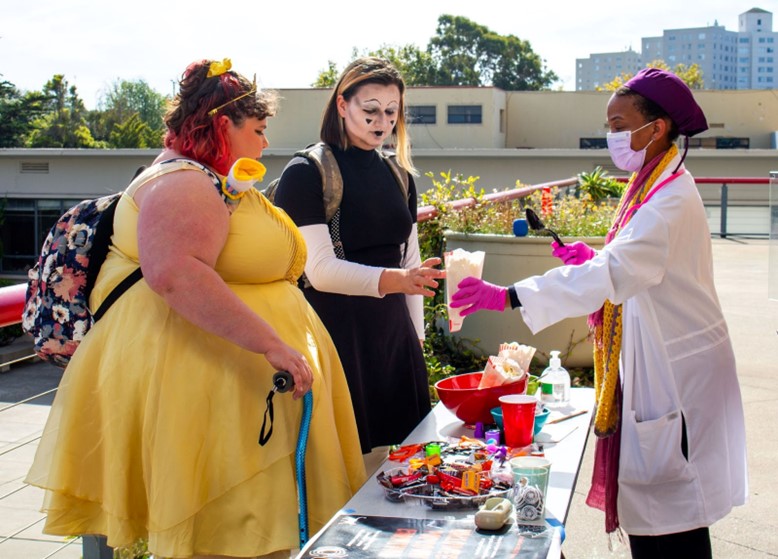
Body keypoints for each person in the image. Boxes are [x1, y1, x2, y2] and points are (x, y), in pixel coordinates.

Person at [25, 58, 366, 559]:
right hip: (210, 387)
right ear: (222, 124)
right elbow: (176, 274)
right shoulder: (183, 181)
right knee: (227, 537)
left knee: (245, 536)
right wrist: (271, 343)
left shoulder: (202, 178)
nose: (264, 143)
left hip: (227, 383)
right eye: (258, 129)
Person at [450, 68, 747, 558]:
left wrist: (507, 296)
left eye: (619, 123)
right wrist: (595, 260)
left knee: (675, 526)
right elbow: (629, 265)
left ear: (658, 127)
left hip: (677, 375)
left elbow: (617, 272)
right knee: (665, 516)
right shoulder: (653, 186)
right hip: (666, 359)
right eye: (608, 125)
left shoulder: (666, 200)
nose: (611, 136)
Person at [273, 57, 444, 462]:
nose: (380, 122)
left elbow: (411, 260)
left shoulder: (399, 175)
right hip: (336, 337)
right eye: (369, 110)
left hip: (394, 339)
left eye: (391, 111)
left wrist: (415, 339)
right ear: (342, 106)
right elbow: (319, 270)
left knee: (408, 466)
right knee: (346, 471)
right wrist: (398, 281)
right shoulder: (307, 171)